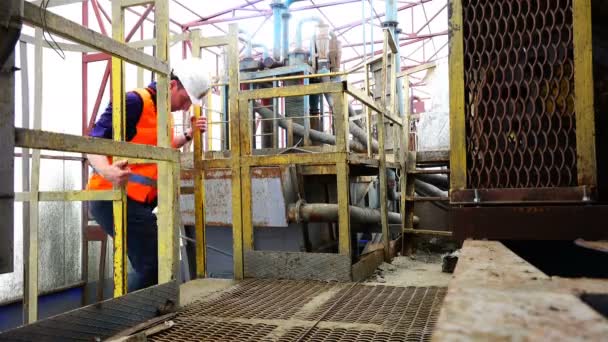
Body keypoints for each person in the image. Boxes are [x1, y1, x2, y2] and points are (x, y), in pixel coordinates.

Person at [86, 58, 209, 292]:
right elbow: (92, 141)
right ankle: (129, 320)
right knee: (152, 264)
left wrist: (188, 135)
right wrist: (108, 171)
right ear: (172, 85)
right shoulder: (134, 102)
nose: (185, 108)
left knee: (156, 262)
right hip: (112, 197)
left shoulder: (163, 112)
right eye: (185, 100)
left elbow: (158, 148)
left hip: (136, 202)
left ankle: (144, 314)